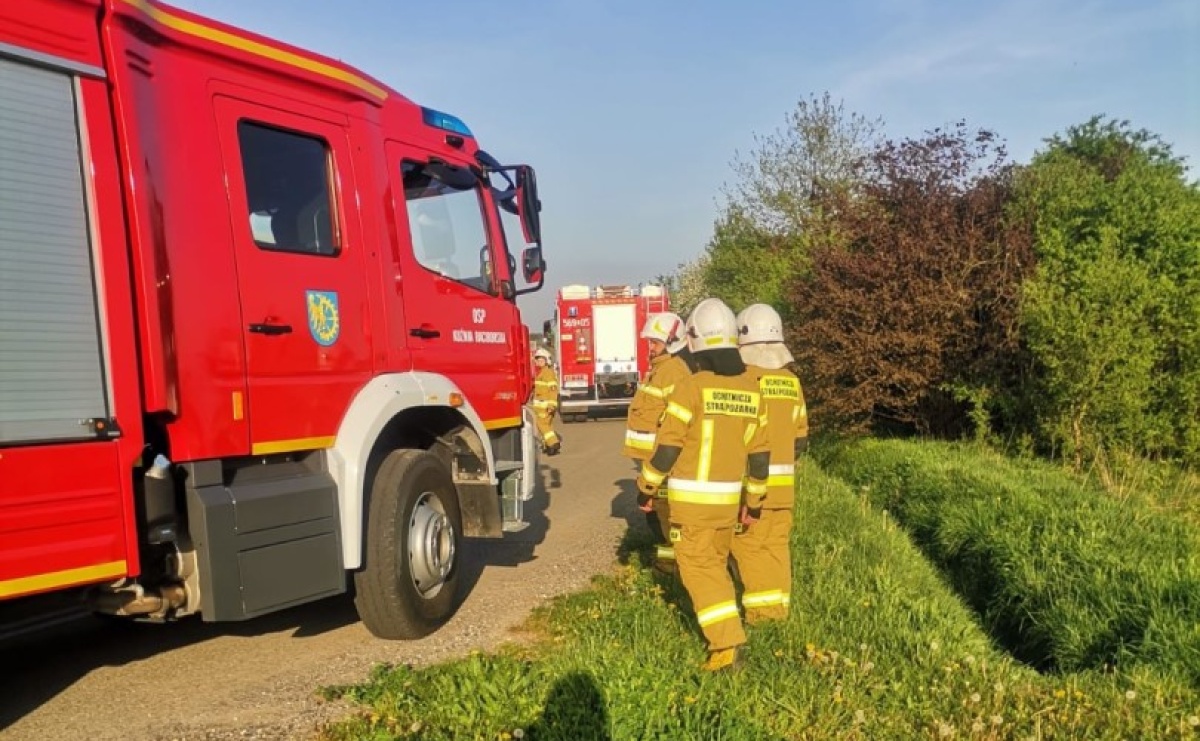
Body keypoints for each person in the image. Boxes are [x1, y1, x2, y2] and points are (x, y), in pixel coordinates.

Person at [635, 298, 770, 672]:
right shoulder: (751, 389)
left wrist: (646, 488)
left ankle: (726, 646)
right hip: (728, 507)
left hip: (691, 508)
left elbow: (668, 447)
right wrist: (754, 503)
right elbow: (760, 456)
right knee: (715, 567)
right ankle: (730, 629)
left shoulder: (691, 388)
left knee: (701, 572)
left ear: (696, 341)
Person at [729, 303, 809, 624]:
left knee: (748, 546)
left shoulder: (744, 381)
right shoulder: (792, 382)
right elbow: (800, 438)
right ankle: (780, 610)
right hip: (784, 488)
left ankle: (764, 616)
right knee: (777, 546)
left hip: (753, 486)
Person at [622, 312, 691, 573]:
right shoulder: (660, 370)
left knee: (667, 517)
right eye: (649, 341)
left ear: (672, 341)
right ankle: (668, 565)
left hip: (663, 462)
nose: (650, 347)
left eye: (655, 342)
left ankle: (672, 568)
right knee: (659, 516)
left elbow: (675, 423)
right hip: (653, 461)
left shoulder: (673, 372)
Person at [531, 347, 562, 455]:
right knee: (546, 427)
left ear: (547, 361)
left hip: (546, 406)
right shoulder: (541, 373)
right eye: (537, 360)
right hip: (542, 406)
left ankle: (553, 443)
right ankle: (548, 446)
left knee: (542, 425)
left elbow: (553, 390)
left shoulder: (548, 373)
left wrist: (551, 405)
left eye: (541, 360)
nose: (538, 362)